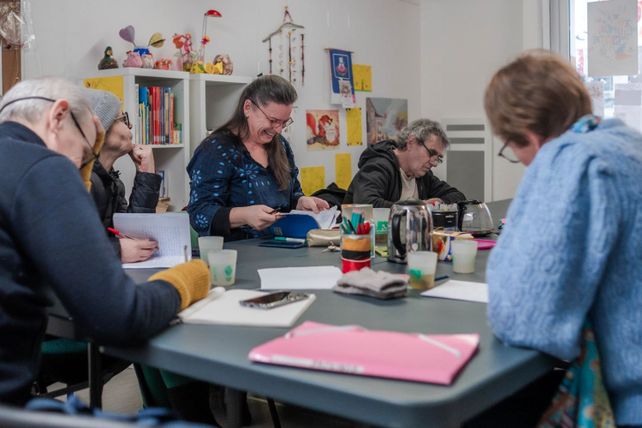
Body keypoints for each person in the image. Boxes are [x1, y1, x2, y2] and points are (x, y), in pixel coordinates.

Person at [0, 78, 209, 413]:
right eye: (84, 151)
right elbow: (121, 317)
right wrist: (187, 280)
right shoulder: (42, 167)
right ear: (57, 116)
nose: (80, 165)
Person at [483, 50, 642, 426]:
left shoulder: (572, 159)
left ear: (531, 136)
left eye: (512, 147)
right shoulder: (628, 146)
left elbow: (525, 318)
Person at [187, 74, 329, 240]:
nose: (278, 129)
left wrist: (301, 202)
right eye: (272, 120)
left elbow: (291, 195)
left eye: (284, 122)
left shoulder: (281, 145)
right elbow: (200, 214)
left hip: (282, 247)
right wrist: (244, 215)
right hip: (236, 255)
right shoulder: (216, 150)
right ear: (248, 107)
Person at [85, 88, 160, 263]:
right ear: (100, 129)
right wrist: (116, 250)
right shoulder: (81, 183)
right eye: (122, 119)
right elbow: (68, 249)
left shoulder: (112, 181)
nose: (130, 126)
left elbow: (134, 235)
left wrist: (146, 173)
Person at [343, 119, 466, 207]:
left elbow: (457, 196)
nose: (434, 163)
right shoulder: (379, 166)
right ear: (411, 142)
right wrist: (417, 207)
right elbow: (365, 203)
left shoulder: (422, 175)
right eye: (431, 153)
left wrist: (439, 203)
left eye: (437, 158)